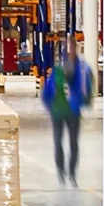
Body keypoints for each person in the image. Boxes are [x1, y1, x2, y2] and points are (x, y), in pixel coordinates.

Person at [43, 47, 93, 186]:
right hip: (67, 112)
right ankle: (67, 172)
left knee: (65, 141)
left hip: (63, 112)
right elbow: (87, 89)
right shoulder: (80, 70)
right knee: (68, 142)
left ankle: (66, 172)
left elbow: (47, 91)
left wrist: (50, 106)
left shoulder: (61, 71)